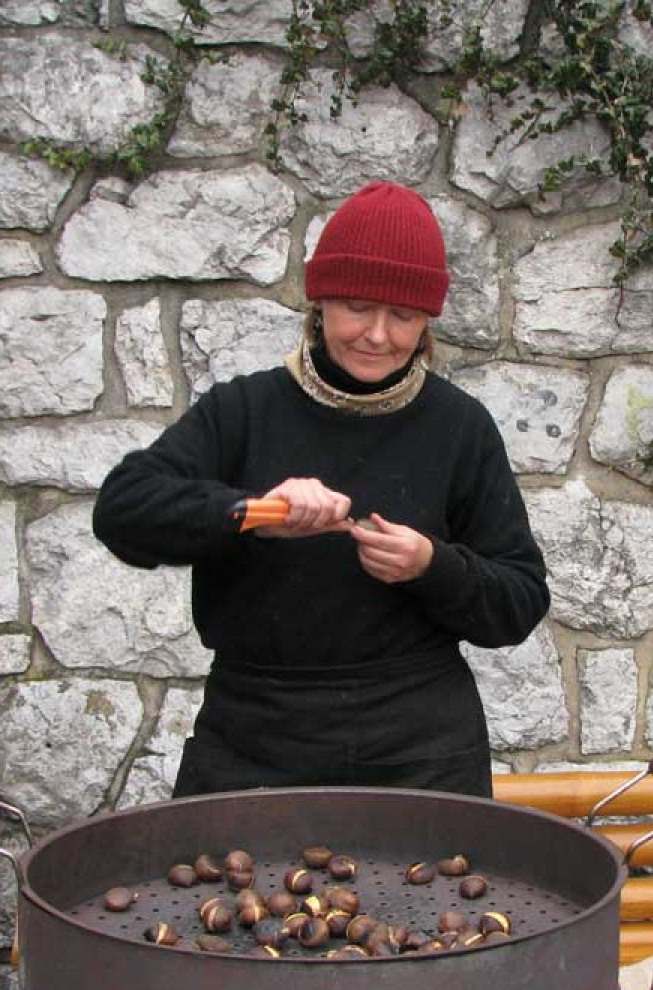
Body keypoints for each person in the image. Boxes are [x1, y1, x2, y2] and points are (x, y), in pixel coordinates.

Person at [92, 181, 549, 799]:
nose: (378, 335)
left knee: (433, 899)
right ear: (322, 299)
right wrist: (252, 513)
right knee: (215, 898)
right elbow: (121, 511)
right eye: (358, 306)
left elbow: (520, 600)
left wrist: (432, 566)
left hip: (422, 755)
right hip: (253, 744)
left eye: (404, 316)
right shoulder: (244, 409)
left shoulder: (459, 428)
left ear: (427, 323)